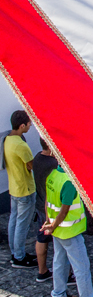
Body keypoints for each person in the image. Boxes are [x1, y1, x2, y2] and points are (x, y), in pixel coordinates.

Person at [42, 160, 93, 297]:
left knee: (59, 262)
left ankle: (58, 294)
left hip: (57, 231)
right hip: (70, 231)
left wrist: (49, 223)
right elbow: (64, 211)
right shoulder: (69, 182)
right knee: (81, 267)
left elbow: (47, 201)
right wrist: (54, 224)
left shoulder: (53, 175)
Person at [5, 110, 37, 269]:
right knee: (22, 225)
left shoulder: (7, 140)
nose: (31, 125)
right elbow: (31, 166)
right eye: (29, 123)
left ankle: (15, 252)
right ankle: (19, 257)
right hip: (25, 189)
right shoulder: (21, 145)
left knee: (14, 221)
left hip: (14, 188)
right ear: (22, 125)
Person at [31, 137, 58, 281]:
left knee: (41, 239)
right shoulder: (53, 164)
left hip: (40, 204)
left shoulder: (37, 158)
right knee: (60, 245)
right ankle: (65, 275)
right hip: (52, 208)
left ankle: (42, 271)